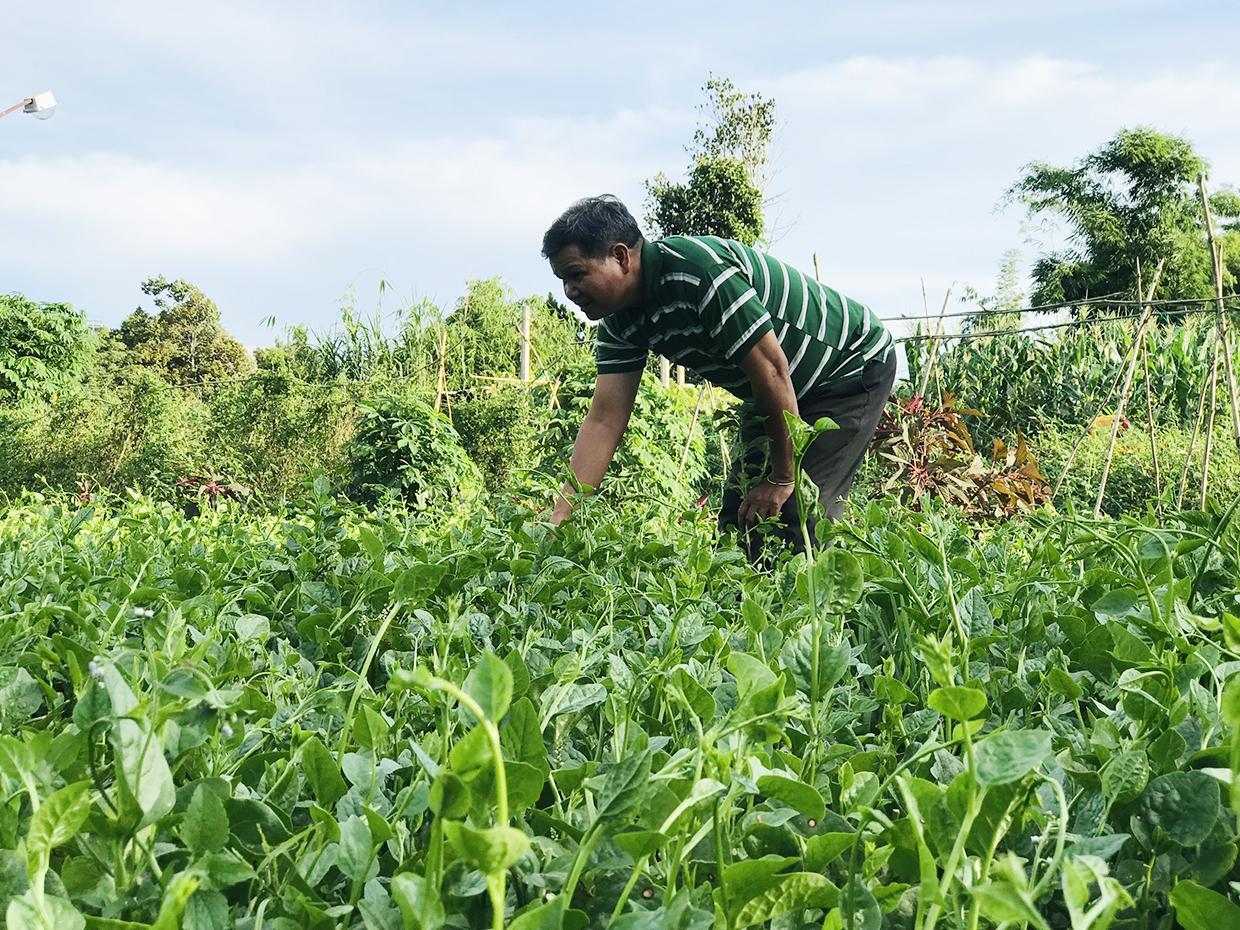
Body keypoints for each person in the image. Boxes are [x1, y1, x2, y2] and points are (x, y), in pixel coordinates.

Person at [543, 194, 894, 555]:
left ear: (620, 256)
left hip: (848, 367)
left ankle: (823, 604)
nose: (569, 291)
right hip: (778, 389)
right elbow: (605, 419)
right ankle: (752, 608)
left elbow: (772, 370)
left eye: (577, 274)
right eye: (562, 279)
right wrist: (562, 517)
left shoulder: (699, 272)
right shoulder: (619, 321)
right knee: (740, 520)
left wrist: (783, 477)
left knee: (796, 515)